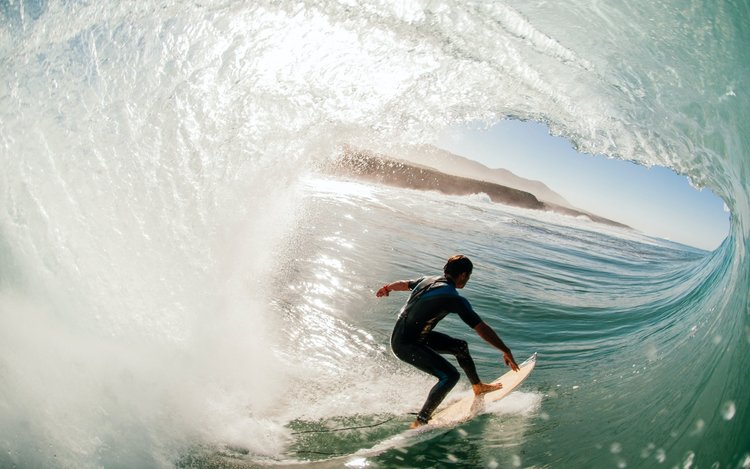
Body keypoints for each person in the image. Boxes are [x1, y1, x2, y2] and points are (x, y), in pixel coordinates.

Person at [376, 255, 520, 428]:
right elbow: (481, 328)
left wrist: (387, 288)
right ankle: (420, 422)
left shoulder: (427, 280)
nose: (467, 280)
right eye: (468, 277)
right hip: (406, 345)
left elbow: (404, 284)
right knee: (450, 376)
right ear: (463, 275)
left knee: (460, 347)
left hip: (410, 336)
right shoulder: (453, 298)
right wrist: (505, 350)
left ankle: (478, 386)